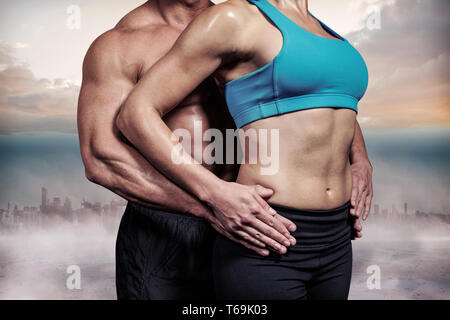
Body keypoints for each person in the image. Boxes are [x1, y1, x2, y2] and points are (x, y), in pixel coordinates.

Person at [116, 0, 373, 300]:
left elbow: (334, 98)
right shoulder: (234, 18)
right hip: (266, 231)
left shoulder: (324, 31)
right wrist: (212, 191)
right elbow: (135, 114)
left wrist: (361, 158)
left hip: (337, 237)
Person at [78, 0, 301, 300]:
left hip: (254, 215)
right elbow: (101, 159)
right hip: (168, 222)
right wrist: (209, 206)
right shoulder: (121, 44)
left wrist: (358, 156)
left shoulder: (250, 24)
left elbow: (315, 84)